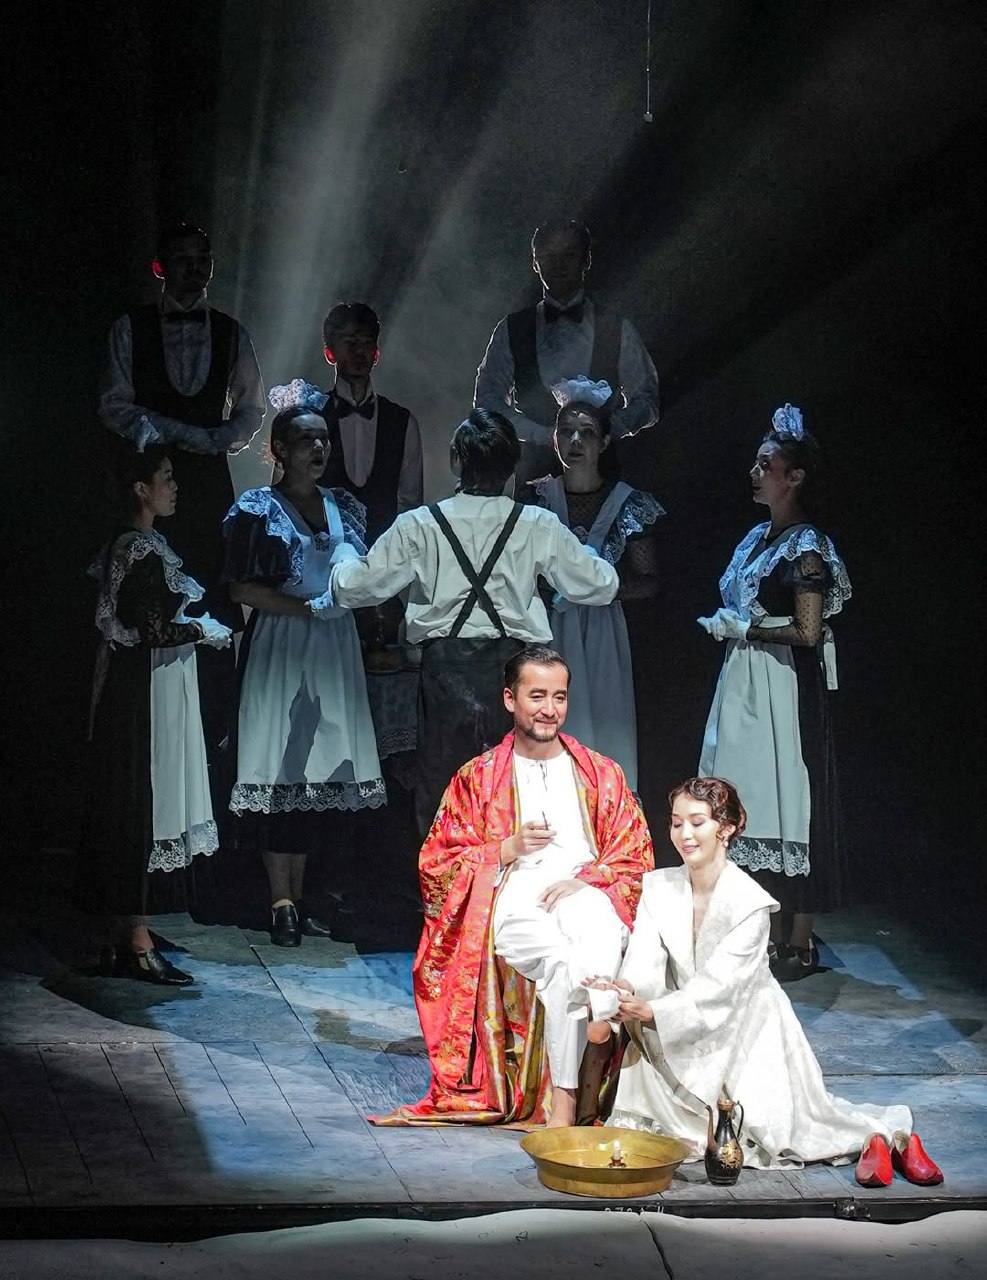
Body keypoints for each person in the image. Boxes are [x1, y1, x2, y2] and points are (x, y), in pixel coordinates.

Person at [372, 646, 654, 1128]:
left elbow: (634, 851)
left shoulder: (600, 773)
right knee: (563, 962)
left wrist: (589, 878)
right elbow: (438, 862)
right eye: (537, 696)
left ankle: (567, 1093)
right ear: (510, 699)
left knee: (597, 930)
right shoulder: (478, 778)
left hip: (583, 887)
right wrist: (505, 849)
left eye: (559, 697)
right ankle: (595, 1024)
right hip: (515, 894)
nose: (550, 709)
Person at [606, 777, 934, 1181]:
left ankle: (885, 1138)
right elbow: (645, 956)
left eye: (697, 822)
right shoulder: (660, 887)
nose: (684, 834)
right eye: (676, 823)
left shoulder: (750, 904)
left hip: (744, 1025)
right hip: (677, 1017)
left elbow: (720, 990)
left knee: (773, 1131)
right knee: (658, 1123)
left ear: (726, 828)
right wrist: (626, 989)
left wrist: (654, 1010)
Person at [328, 408, 620, 835]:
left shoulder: (419, 526)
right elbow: (602, 585)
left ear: (455, 461)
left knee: (446, 796)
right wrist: (587, 552)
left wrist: (342, 556)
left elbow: (353, 589)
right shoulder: (537, 524)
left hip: (447, 672)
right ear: (511, 466)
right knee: (517, 794)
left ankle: (450, 878)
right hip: (517, 673)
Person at [222, 384, 385, 946]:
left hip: (333, 646)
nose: (318, 448)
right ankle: (281, 900)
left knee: (318, 770)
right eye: (305, 440)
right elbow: (242, 588)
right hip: (283, 642)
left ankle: (302, 894)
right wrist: (306, 608)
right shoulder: (257, 510)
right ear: (279, 449)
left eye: (323, 439)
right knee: (280, 763)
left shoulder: (345, 508)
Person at [695, 404, 851, 981]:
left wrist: (748, 630)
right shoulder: (759, 538)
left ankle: (799, 939)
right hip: (744, 682)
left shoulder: (806, 546)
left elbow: (807, 631)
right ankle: (757, 931)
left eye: (767, 464)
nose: (755, 472)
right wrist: (734, 630)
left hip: (783, 683)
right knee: (748, 798)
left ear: (796, 477)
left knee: (792, 798)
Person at [78, 443, 233, 985]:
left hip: (142, 684)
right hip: (142, 690)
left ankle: (121, 935)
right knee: (140, 801)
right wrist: (201, 631)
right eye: (166, 477)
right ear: (141, 489)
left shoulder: (137, 545)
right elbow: (150, 631)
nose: (175, 486)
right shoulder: (139, 549)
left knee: (133, 799)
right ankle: (137, 940)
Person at [534, 376, 664, 789]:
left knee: (605, 728)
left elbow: (648, 581)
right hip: (550, 629)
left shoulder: (626, 503)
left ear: (604, 442)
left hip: (604, 632)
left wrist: (601, 590)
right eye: (566, 431)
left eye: (587, 432)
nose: (575, 441)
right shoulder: (537, 500)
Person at [474, 219, 660, 486]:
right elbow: (487, 402)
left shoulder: (618, 328)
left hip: (602, 478)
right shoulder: (511, 329)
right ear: (535, 263)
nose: (558, 265)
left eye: (569, 256)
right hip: (535, 478)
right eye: (549, 257)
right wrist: (540, 434)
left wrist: (606, 430)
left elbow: (648, 401)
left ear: (587, 260)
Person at [318, 301, 423, 545]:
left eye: (366, 343)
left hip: (384, 555)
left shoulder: (403, 422)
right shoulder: (310, 416)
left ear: (376, 353)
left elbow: (410, 506)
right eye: (349, 343)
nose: (359, 352)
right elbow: (287, 498)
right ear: (330, 353)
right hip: (322, 555)